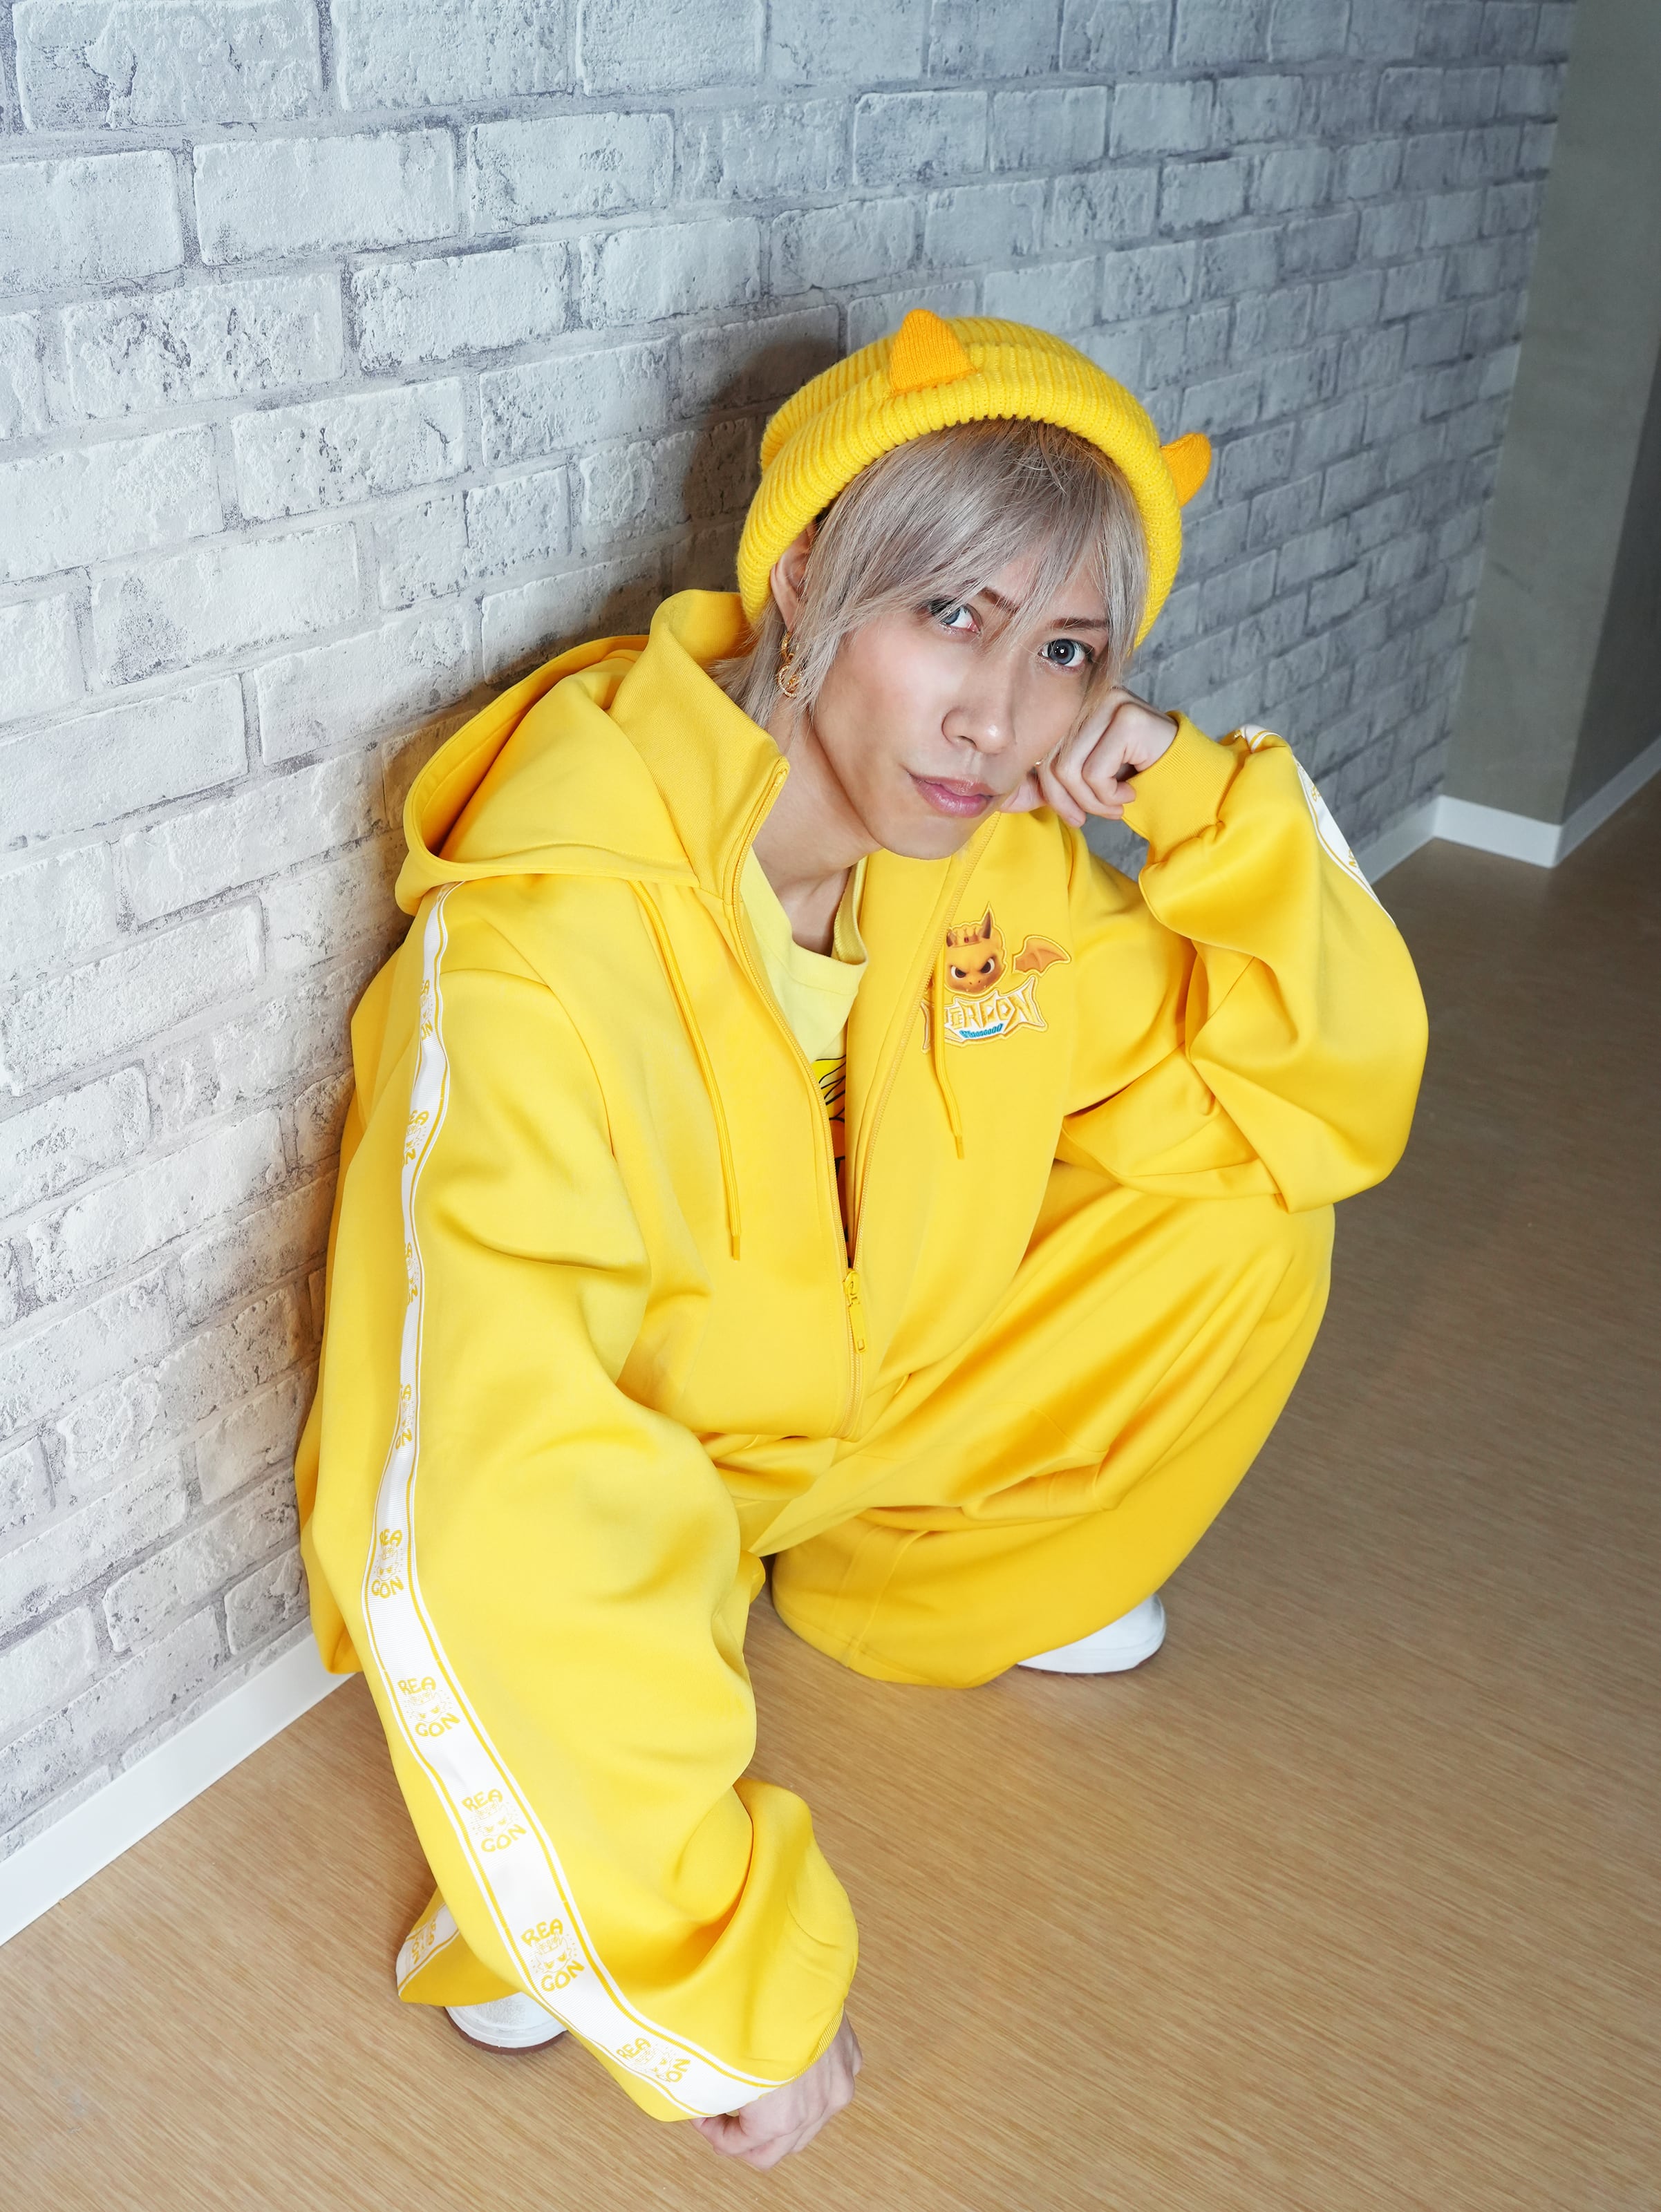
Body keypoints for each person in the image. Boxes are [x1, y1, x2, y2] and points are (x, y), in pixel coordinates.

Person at [294, 312, 1427, 2168]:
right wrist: (708, 1956)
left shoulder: (1001, 866)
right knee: (577, 1888)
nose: (1000, 719)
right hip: (662, 1472)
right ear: (811, 575)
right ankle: (580, 1869)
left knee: (1252, 1205)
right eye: (952, 616)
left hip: (865, 1399)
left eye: (1067, 652)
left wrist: (1195, 800)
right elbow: (493, 1464)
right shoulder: (544, 938)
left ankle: (901, 1577)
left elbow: (1309, 1103)